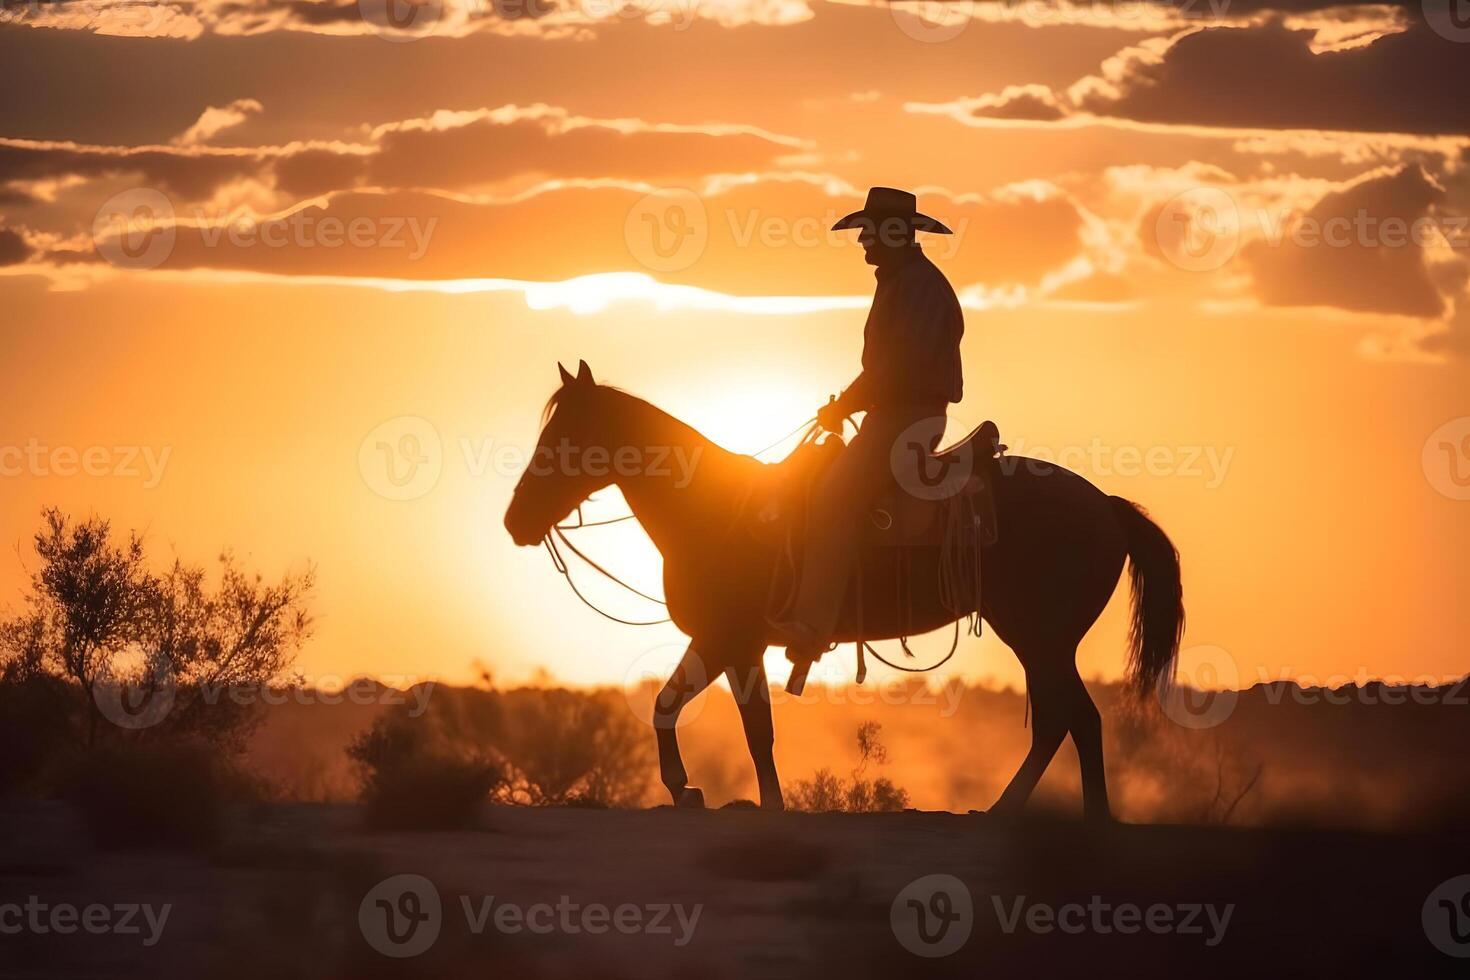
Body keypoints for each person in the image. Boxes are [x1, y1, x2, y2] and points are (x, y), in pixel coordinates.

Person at [769, 187, 965, 678]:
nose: (862, 242)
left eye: (868, 232)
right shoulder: (904, 282)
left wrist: (849, 403)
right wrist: (849, 403)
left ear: (893, 235)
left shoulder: (916, 286)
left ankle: (812, 627)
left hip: (906, 420)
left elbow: (895, 368)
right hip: (895, 416)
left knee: (833, 498)